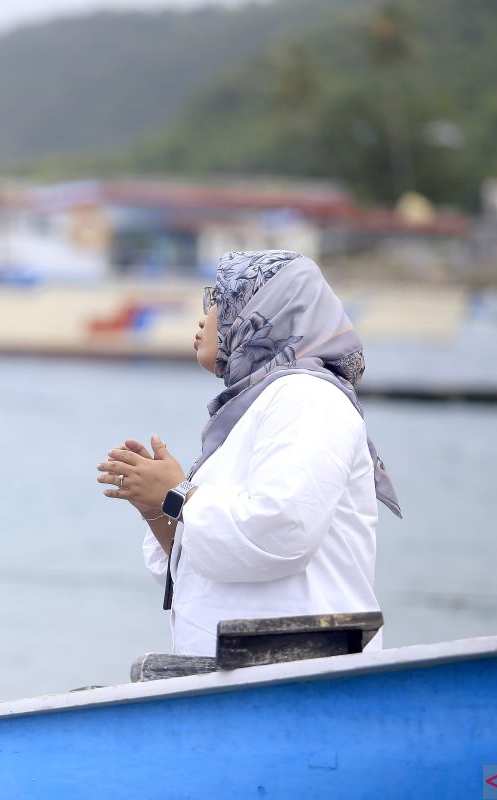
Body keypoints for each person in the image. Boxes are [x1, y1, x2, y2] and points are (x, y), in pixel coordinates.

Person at [96, 250, 401, 656]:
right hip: (255, 679)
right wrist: (158, 505)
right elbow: (212, 557)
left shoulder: (308, 398)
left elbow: (283, 529)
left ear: (264, 311)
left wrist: (179, 495)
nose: (203, 317)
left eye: (219, 301)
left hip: (303, 680)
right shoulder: (256, 406)